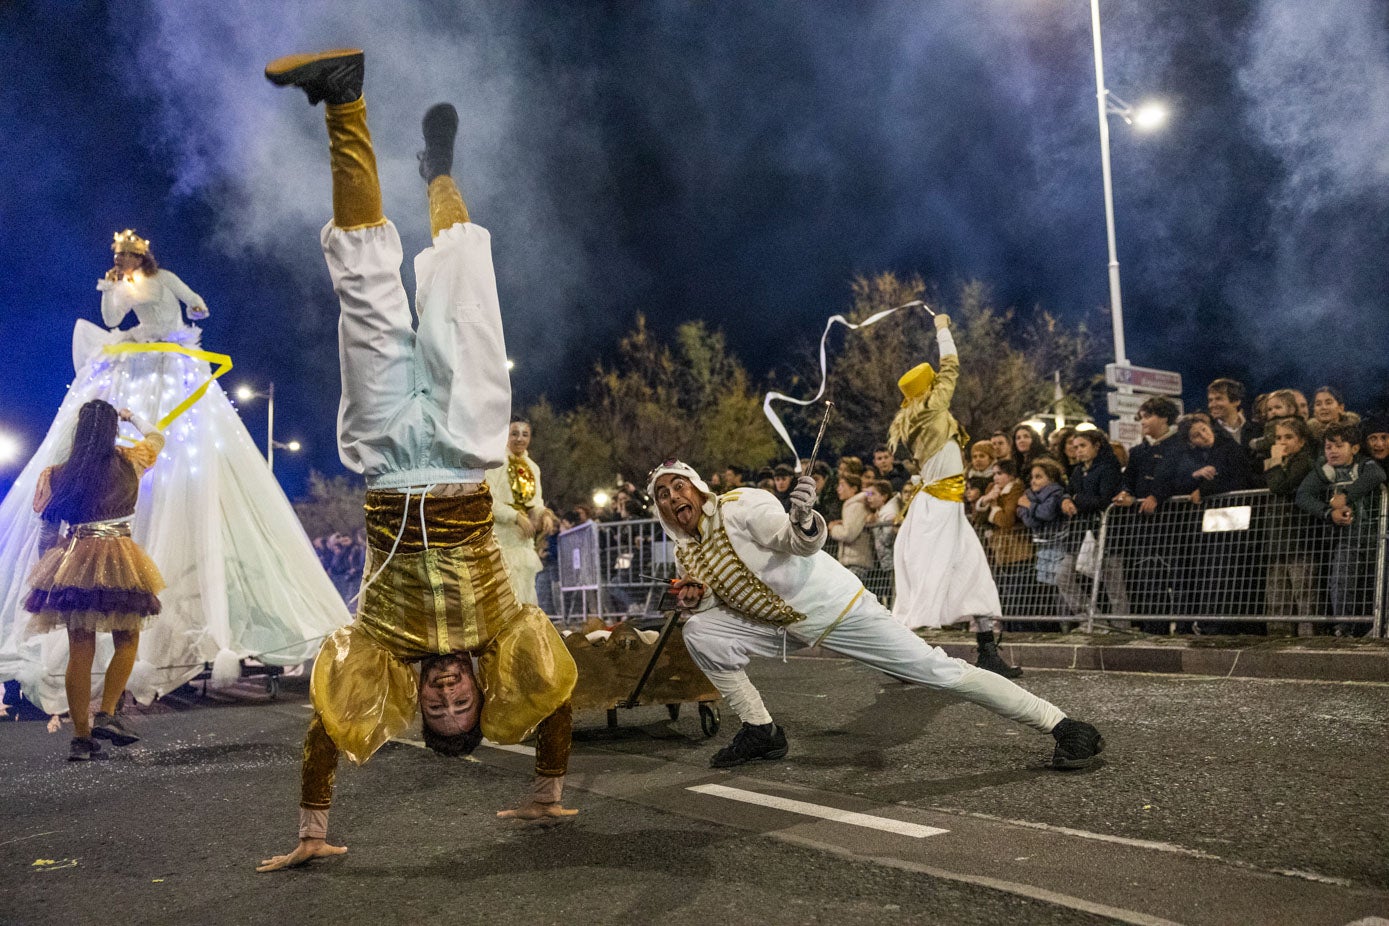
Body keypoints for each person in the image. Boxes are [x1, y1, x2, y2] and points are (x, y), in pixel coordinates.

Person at [258, 49, 578, 872]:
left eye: (434, 705)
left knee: (364, 287)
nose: (442, 693)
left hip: (386, 460)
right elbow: (556, 700)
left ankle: (343, 103)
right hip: (469, 450)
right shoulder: (506, 635)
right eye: (456, 701)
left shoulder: (378, 643)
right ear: (477, 692)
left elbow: (327, 732)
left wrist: (311, 831)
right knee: (461, 283)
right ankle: (439, 172)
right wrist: (546, 790)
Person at [0, 231, 349, 711]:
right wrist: (111, 290)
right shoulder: (127, 461)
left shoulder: (66, 473)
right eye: (117, 260)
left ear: (141, 257)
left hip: (83, 545)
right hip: (118, 540)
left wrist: (197, 310)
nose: (122, 264)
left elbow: (190, 301)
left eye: (126, 258)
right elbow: (111, 322)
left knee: (88, 638)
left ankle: (90, 723)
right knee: (120, 633)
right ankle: (103, 715)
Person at [648, 460, 1104, 770]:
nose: (672, 497)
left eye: (678, 485)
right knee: (702, 630)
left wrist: (804, 521)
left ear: (697, 487)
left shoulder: (742, 505)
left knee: (938, 672)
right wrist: (697, 600)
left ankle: (1063, 726)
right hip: (779, 625)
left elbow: (794, 541)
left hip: (836, 607)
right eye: (662, 494)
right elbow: (717, 596)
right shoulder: (683, 548)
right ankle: (760, 730)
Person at [24, 401, 164, 761]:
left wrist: (53, 572)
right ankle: (108, 714)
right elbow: (157, 437)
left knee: (80, 649)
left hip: (75, 557)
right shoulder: (129, 460)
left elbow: (46, 533)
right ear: (111, 430)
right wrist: (131, 416)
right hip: (120, 558)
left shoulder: (58, 474)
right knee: (128, 637)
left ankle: (81, 740)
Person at [886, 314, 1021, 676]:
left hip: (944, 509)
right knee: (926, 586)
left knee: (974, 575)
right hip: (937, 512)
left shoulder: (914, 417)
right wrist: (943, 327)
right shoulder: (931, 410)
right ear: (928, 389)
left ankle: (987, 653)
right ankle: (896, 657)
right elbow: (951, 365)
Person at [1296, 422, 1386, 636]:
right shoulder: (1324, 470)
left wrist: (1346, 496)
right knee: (1342, 582)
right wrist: (1329, 513)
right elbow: (1303, 495)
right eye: (1328, 447)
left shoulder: (1365, 464)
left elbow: (1378, 476)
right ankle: (1344, 627)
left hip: (1376, 536)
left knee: (1376, 582)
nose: (1333, 451)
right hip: (1346, 539)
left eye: (1338, 446)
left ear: (1354, 448)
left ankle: (1377, 626)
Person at [1263, 416, 1319, 636]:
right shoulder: (1282, 462)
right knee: (1276, 593)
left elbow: (1280, 486)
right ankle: (1278, 636)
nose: (1282, 442)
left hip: (1299, 538)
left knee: (1304, 592)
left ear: (1302, 441)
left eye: (1288, 437)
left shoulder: (1304, 461)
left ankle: (1309, 637)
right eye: (1278, 437)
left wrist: (1274, 463)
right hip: (1277, 540)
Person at [486, 417, 548, 606]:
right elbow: (488, 500)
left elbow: (536, 502)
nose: (519, 439)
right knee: (505, 590)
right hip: (502, 539)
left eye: (525, 434)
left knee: (527, 590)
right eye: (514, 433)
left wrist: (544, 515)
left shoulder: (533, 467)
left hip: (524, 541)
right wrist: (515, 516)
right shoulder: (495, 463)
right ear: (506, 435)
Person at [827, 473, 872, 581]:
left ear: (854, 488)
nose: (838, 489)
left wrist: (833, 528)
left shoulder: (856, 506)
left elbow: (848, 534)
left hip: (856, 562)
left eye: (842, 485)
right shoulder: (851, 505)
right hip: (852, 562)